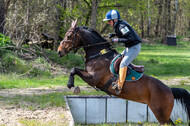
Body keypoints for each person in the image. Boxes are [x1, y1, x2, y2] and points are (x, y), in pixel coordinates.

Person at [103, 10, 142, 95]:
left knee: (123, 64)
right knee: (118, 58)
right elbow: (124, 34)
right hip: (130, 47)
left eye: (109, 21)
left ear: (114, 20)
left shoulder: (121, 26)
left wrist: (117, 39)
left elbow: (130, 38)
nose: (108, 23)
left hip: (134, 48)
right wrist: (114, 35)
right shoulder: (118, 25)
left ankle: (119, 86)